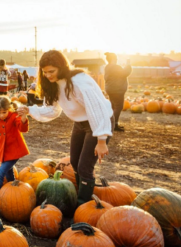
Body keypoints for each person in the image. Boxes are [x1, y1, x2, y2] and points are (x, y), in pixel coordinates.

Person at [18, 50, 114, 205]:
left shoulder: (79, 82)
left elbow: (98, 109)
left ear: (61, 67)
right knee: (75, 162)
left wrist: (101, 139)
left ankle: (83, 204)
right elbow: (52, 110)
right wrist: (30, 110)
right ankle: (80, 192)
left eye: (52, 71)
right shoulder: (54, 84)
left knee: (84, 166)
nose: (48, 75)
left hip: (99, 121)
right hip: (81, 123)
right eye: (45, 72)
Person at [0, 96, 29, 207]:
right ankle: (14, 189)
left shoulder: (14, 116)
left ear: (9, 108)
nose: (1, 115)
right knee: (9, 172)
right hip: (4, 152)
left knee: (0, 174)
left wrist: (24, 117)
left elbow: (22, 128)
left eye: (4, 112)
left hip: (14, 151)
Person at [104, 53, 132, 131]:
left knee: (113, 107)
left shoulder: (107, 67)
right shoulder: (115, 67)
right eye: (116, 59)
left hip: (110, 89)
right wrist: (128, 65)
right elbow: (124, 73)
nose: (117, 60)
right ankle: (114, 125)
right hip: (117, 89)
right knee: (118, 107)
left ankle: (110, 124)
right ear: (113, 59)